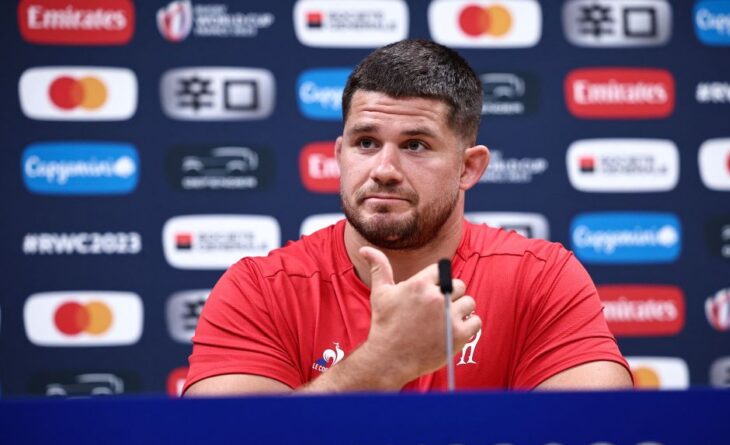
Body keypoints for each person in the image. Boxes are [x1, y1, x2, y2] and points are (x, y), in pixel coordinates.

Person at [183, 39, 632, 395]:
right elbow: (218, 436)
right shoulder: (260, 289)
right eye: (365, 142)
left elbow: (602, 428)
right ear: (340, 155)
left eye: (416, 144)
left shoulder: (541, 278)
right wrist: (384, 363)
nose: (383, 169)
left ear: (468, 167)